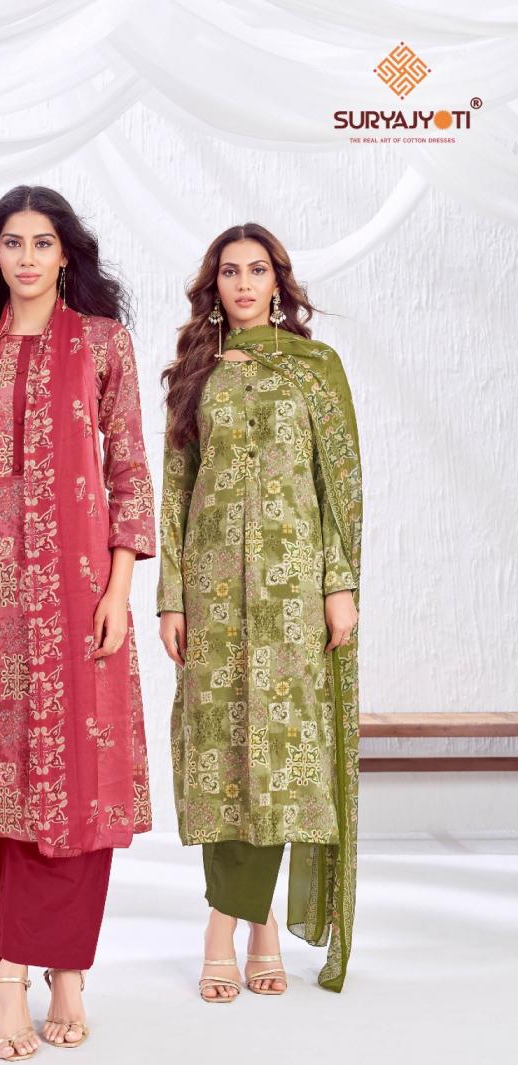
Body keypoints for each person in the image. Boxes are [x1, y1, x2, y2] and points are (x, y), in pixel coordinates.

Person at [0, 186, 156, 1060]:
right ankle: (13, 975)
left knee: (79, 786)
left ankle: (68, 973)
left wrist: (118, 591)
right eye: (13, 243)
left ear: (66, 255)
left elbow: (129, 470)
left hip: (78, 599)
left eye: (43, 242)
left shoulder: (102, 343)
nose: (27, 257)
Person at [157, 224, 362, 999]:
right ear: (213, 286)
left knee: (278, 755)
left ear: (279, 281)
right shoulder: (195, 372)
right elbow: (175, 488)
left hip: (291, 594)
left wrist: (338, 584)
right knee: (220, 754)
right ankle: (258, 925)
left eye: (258, 270)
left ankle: (225, 927)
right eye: (230, 272)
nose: (244, 283)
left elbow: (337, 489)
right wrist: (170, 596)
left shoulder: (315, 369)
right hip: (211, 592)